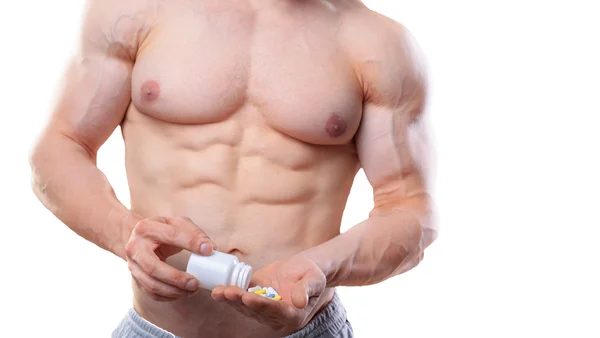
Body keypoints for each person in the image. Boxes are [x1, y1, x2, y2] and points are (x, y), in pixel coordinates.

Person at [29, 0, 438, 337]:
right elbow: (60, 147)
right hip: (157, 328)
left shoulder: (379, 45)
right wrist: (126, 236)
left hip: (306, 330)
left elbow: (410, 209)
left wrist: (321, 268)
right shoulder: (133, 11)